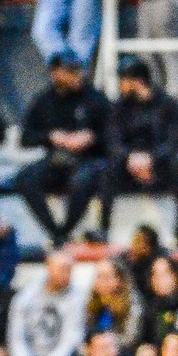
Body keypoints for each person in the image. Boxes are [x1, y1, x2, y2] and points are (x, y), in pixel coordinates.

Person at [17, 53, 118, 245]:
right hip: (57, 158)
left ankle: (66, 229)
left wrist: (92, 137)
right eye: (70, 71)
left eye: (78, 70)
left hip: (89, 159)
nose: (77, 76)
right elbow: (25, 138)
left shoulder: (95, 99)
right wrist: (51, 136)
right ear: (56, 73)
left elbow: (114, 135)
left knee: (83, 179)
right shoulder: (44, 101)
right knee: (25, 179)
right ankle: (55, 231)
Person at [110, 56, 178, 217]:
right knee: (106, 171)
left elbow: (173, 143)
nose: (120, 85)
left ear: (137, 81)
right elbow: (113, 141)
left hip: (159, 164)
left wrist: (151, 159)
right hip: (128, 166)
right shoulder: (119, 107)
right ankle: (104, 226)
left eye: (123, 80)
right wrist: (130, 158)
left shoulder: (167, 105)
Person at [6, 246, 88, 356]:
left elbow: (71, 339)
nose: (67, 274)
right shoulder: (26, 295)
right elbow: (16, 334)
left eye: (69, 269)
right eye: (63, 268)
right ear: (49, 267)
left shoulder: (77, 299)